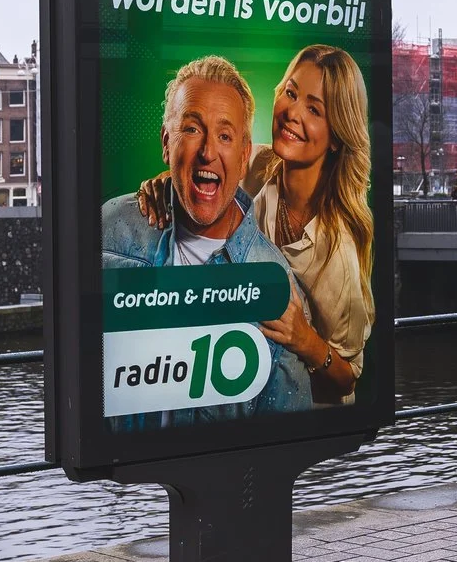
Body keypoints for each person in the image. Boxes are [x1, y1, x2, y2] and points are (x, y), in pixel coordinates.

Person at [101, 55, 312, 421]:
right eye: (193, 129)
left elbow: (284, 433)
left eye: (225, 136)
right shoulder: (109, 230)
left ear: (245, 155)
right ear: (167, 143)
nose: (208, 152)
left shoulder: (274, 283)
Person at [240, 45, 376, 406]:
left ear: (335, 136)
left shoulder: (339, 256)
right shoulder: (254, 163)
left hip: (298, 416)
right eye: (291, 93)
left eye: (314, 109)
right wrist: (166, 184)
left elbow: (346, 381)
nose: (292, 113)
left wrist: (304, 339)